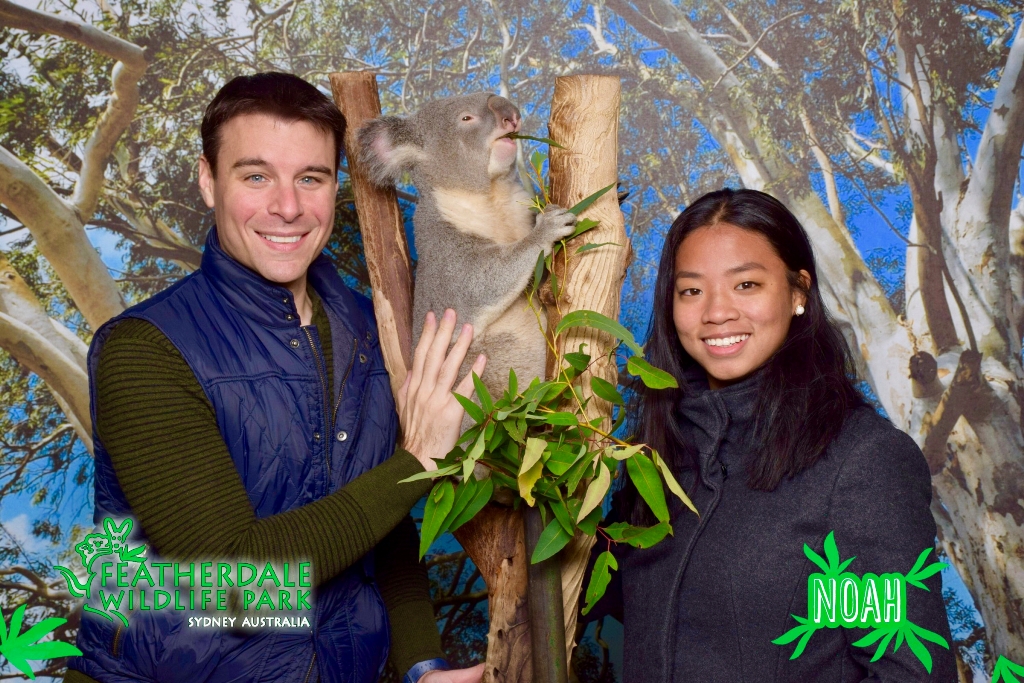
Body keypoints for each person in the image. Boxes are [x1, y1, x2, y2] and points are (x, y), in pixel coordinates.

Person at [64, 72, 486, 683]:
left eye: (310, 178)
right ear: (208, 181)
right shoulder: (145, 350)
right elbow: (234, 583)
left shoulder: (373, 330)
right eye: (256, 176)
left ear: (336, 186)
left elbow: (381, 526)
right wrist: (417, 462)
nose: (287, 207)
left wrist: (423, 665)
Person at [600, 188, 956, 681]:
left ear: (798, 292)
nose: (716, 312)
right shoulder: (658, 454)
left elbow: (908, 673)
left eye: (746, 284)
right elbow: (583, 598)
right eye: (691, 291)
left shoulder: (860, 464)